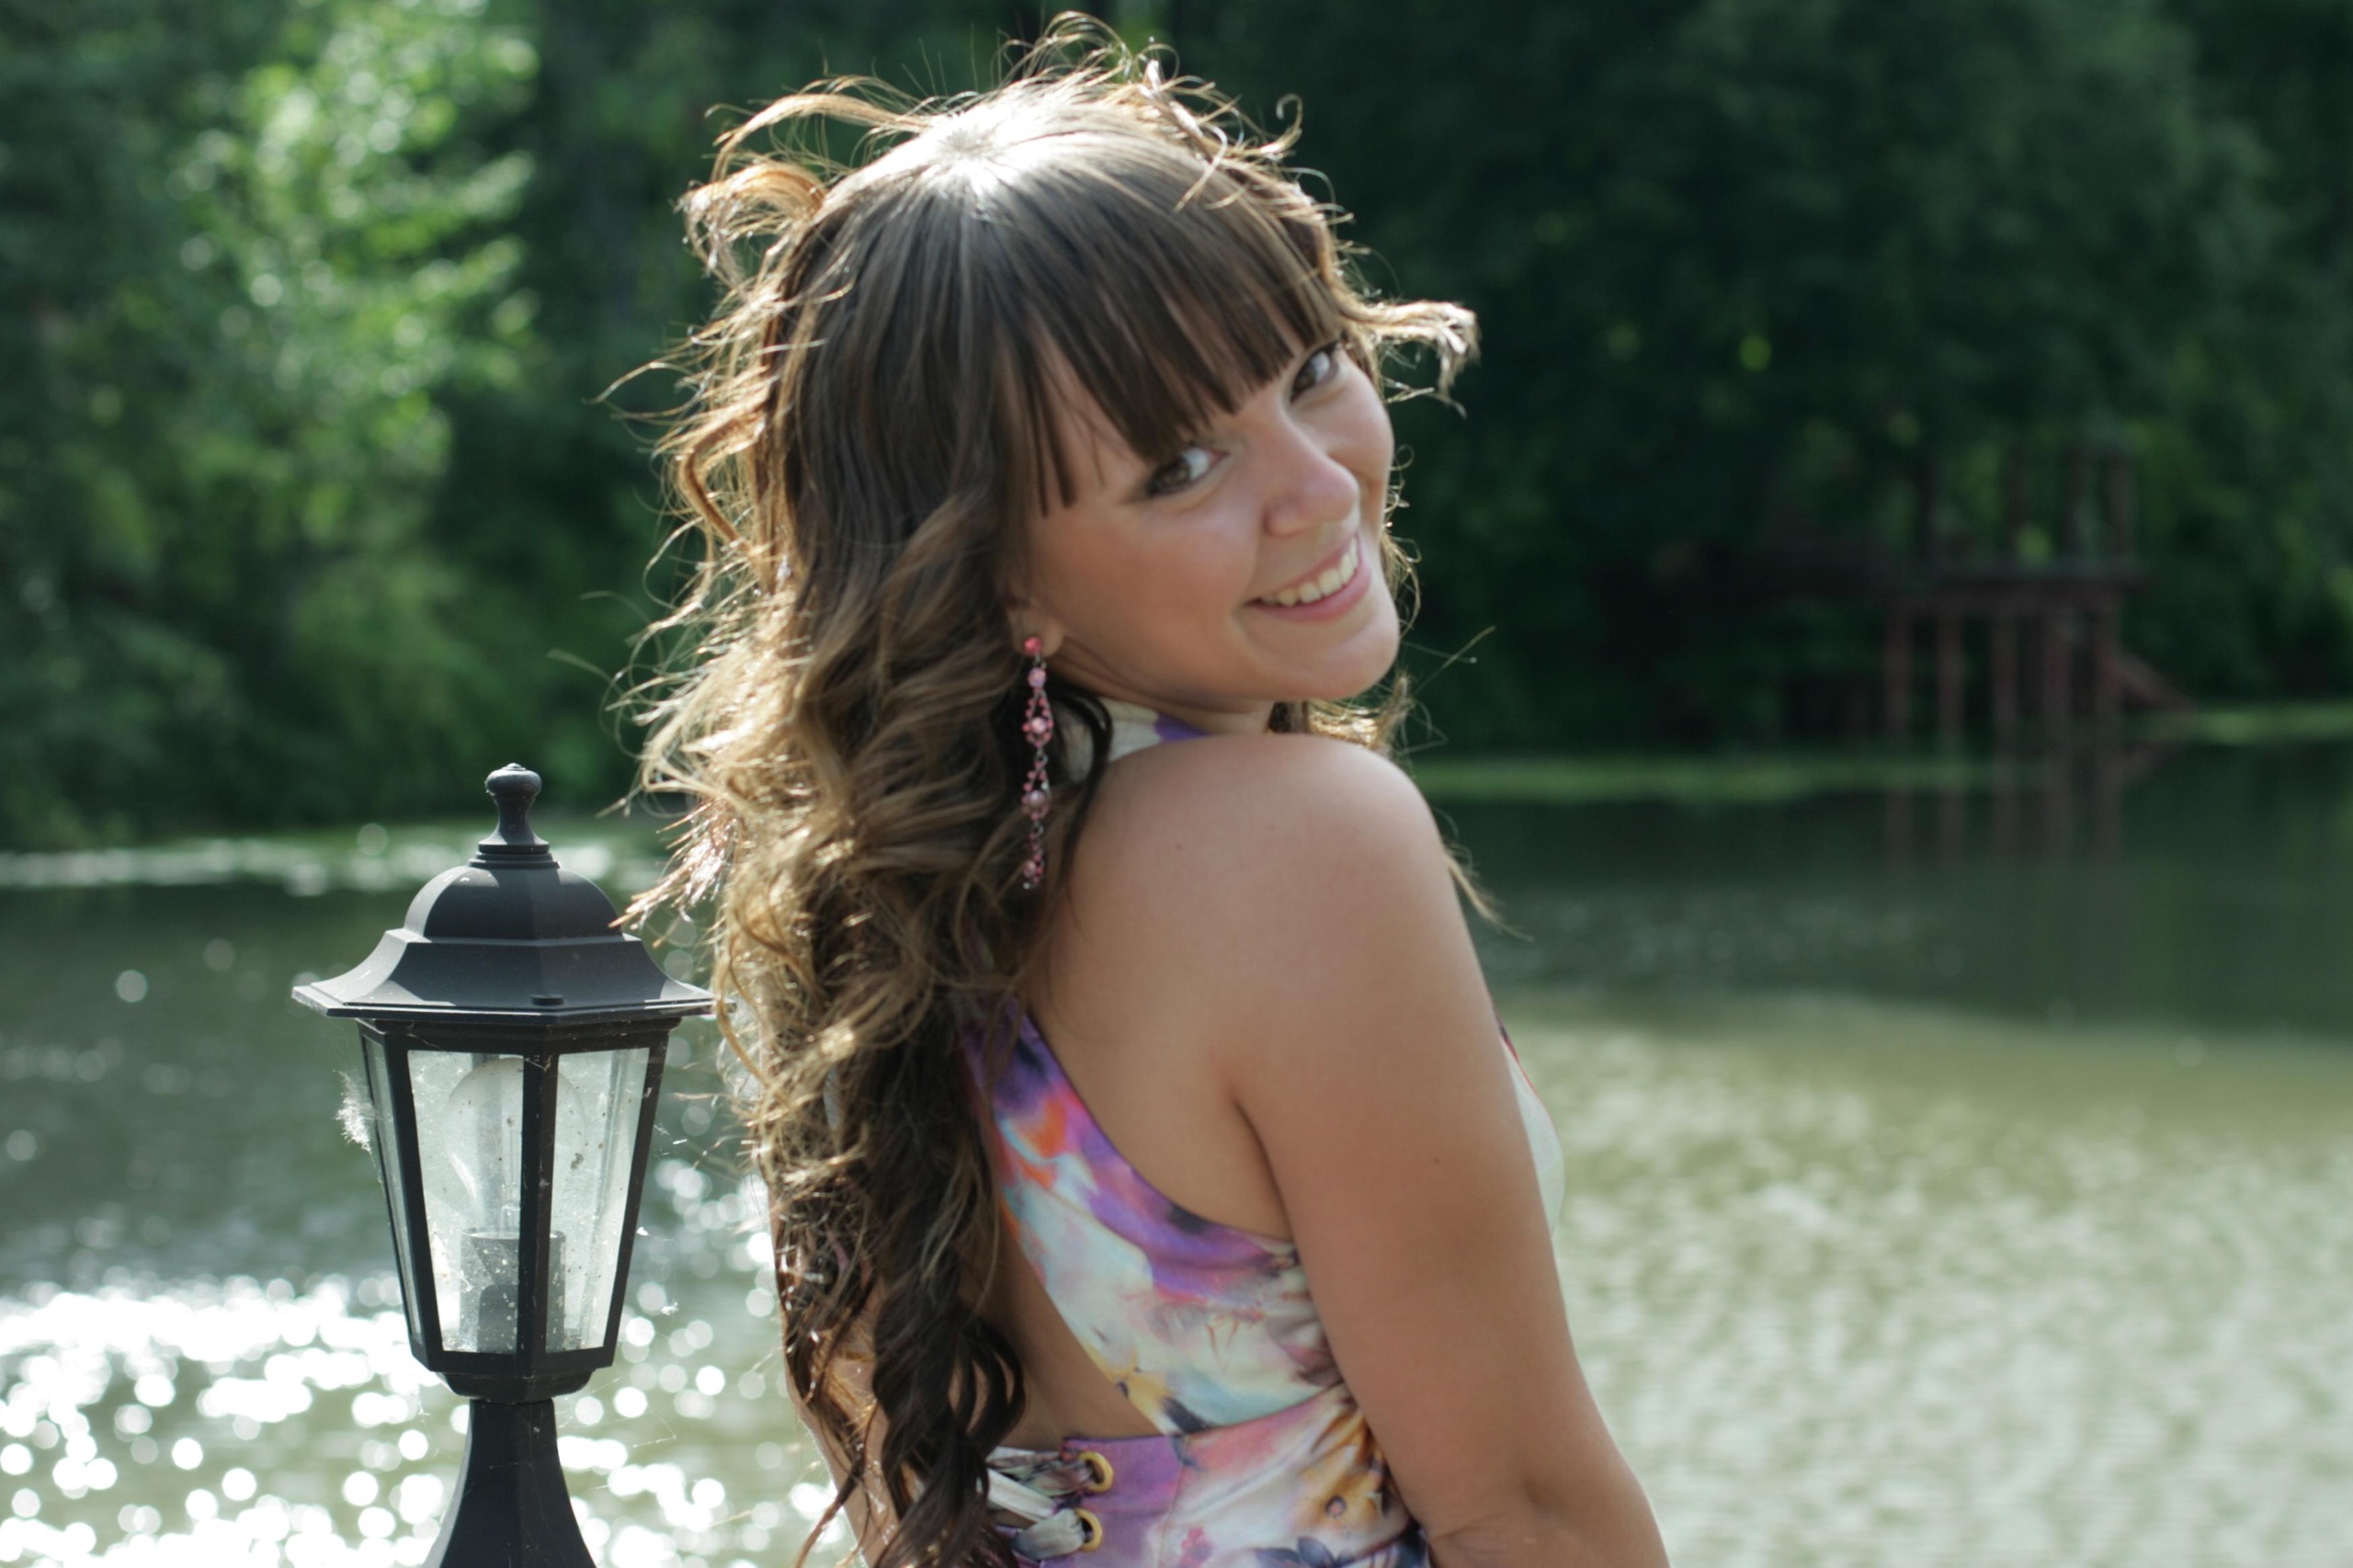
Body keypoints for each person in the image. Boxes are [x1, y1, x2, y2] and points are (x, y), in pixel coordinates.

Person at [635, 20, 1667, 1568]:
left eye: (1310, 371)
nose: (1317, 483)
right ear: (998, 577)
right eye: (1181, 465)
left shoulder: (899, 916)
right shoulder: (1303, 844)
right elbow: (1525, 1508)